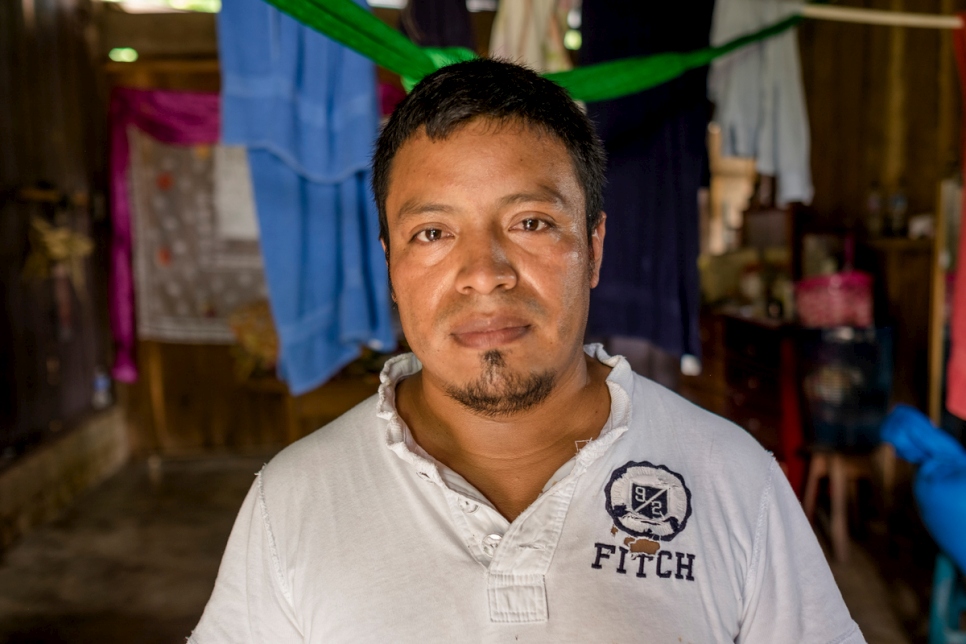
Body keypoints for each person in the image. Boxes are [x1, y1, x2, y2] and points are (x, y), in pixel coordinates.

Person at [190, 59, 864, 643]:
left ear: (594, 248)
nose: (484, 272)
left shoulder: (731, 478)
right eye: (432, 233)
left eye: (531, 223)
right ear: (390, 264)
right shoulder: (295, 501)